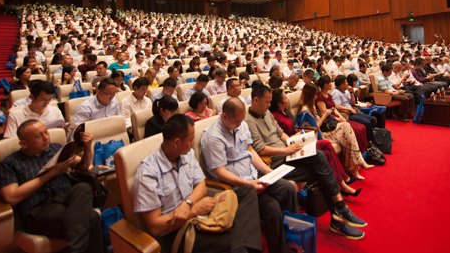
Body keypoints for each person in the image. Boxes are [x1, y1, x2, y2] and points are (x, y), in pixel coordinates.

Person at [245, 85, 367, 240]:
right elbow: (260, 150)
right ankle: (339, 213)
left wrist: (292, 142)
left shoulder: (266, 113)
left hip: (287, 155)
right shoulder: (248, 121)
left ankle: (339, 211)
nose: (270, 105)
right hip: (275, 164)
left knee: (320, 157)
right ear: (256, 100)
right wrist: (286, 150)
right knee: (321, 167)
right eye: (267, 102)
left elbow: (280, 133)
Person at [132, 115, 263, 253]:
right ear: (177, 142)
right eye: (190, 140)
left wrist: (188, 203)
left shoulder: (187, 154)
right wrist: (192, 211)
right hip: (179, 232)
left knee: (247, 192)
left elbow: (201, 185)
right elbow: (155, 226)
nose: (193, 143)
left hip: (200, 213)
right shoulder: (147, 173)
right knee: (239, 236)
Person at [201, 98, 297, 253]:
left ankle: (294, 239)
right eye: (237, 122)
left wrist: (267, 171)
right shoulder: (213, 137)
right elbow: (220, 172)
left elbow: (250, 151)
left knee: (287, 188)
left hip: (253, 177)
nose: (240, 124)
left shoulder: (241, 124)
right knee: (271, 208)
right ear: (225, 116)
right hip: (236, 188)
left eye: (241, 120)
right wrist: (248, 184)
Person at [0, 120, 101, 253]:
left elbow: (82, 167)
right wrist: (52, 172)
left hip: (66, 198)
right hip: (39, 209)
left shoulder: (56, 149)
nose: (46, 137)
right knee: (92, 218)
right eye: (39, 136)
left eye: (46, 132)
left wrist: (87, 147)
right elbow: (11, 197)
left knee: (83, 187)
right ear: (24, 143)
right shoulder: (9, 163)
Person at [271, 88, 361, 196]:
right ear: (279, 103)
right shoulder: (275, 117)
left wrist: (299, 133)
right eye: (285, 97)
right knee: (325, 144)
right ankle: (343, 183)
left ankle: (342, 184)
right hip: (292, 145)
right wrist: (293, 136)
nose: (288, 99)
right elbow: (280, 137)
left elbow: (294, 128)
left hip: (298, 139)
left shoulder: (286, 112)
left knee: (326, 150)